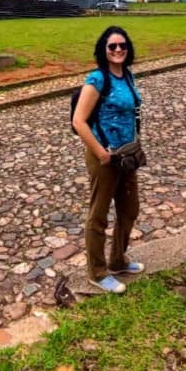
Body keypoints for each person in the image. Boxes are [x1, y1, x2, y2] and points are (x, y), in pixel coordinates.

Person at [72, 25, 144, 294]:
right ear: (104, 50)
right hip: (104, 156)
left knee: (129, 209)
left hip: (127, 154)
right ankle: (98, 272)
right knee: (98, 215)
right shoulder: (97, 79)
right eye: (112, 46)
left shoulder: (127, 75)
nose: (118, 50)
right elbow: (78, 121)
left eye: (122, 45)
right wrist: (101, 152)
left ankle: (117, 260)